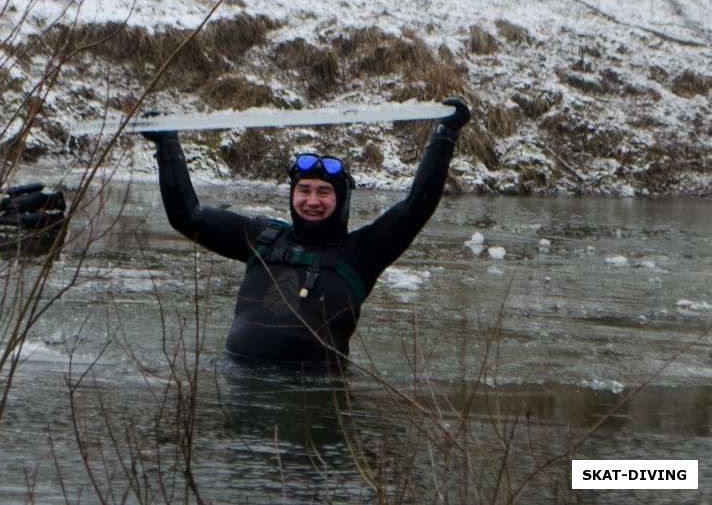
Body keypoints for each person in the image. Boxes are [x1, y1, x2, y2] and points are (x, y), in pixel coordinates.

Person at [144, 96, 470, 366]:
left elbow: (416, 207)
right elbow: (187, 217)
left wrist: (444, 137)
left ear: (340, 200)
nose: (312, 201)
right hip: (241, 387)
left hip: (314, 398)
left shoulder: (363, 253)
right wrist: (167, 144)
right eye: (304, 190)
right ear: (292, 195)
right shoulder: (262, 237)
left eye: (324, 192)